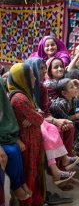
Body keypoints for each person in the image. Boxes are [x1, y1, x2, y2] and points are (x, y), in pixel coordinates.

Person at [7, 63, 46, 205]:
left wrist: (36, 114)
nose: (35, 78)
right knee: (30, 171)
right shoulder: (19, 98)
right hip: (28, 140)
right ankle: (29, 202)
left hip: (32, 137)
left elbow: (38, 114)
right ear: (22, 79)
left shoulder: (24, 94)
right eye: (31, 75)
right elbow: (40, 118)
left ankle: (35, 200)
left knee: (33, 170)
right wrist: (36, 115)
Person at [0, 76, 32, 201]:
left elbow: (6, 114)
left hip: (4, 131)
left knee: (16, 149)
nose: (33, 77)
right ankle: (17, 185)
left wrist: (14, 137)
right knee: (12, 152)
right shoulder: (19, 97)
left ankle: (21, 181)